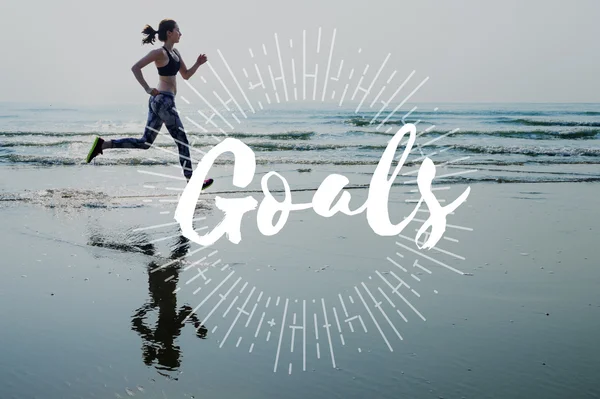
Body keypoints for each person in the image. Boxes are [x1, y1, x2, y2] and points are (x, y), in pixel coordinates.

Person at [86, 18, 213, 189]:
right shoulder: (159, 53)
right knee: (182, 140)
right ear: (169, 33)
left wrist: (197, 64)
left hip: (161, 102)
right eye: (177, 30)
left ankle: (104, 144)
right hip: (163, 101)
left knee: (145, 143)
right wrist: (147, 88)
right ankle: (192, 181)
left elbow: (186, 75)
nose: (180, 33)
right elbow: (135, 67)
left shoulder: (176, 53)